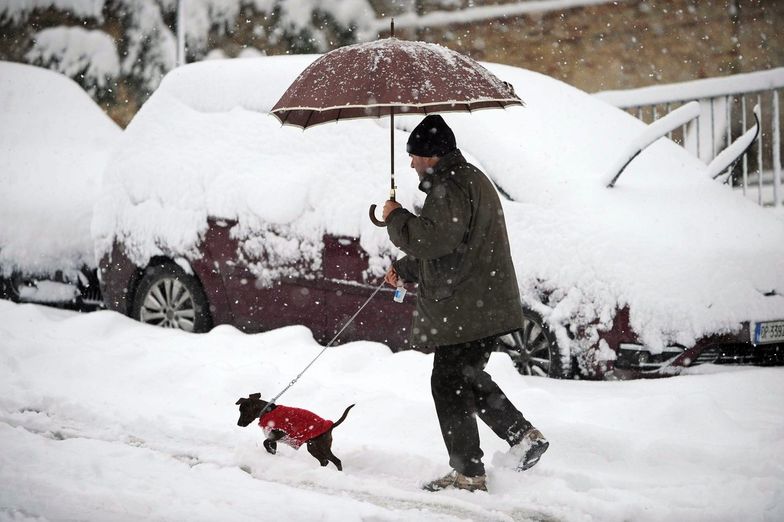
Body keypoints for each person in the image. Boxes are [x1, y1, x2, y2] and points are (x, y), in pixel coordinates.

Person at [382, 114, 548, 493]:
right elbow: (453, 246)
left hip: (467, 306)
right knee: (464, 379)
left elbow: (434, 240)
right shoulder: (465, 179)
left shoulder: (450, 186)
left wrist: (396, 219)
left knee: (448, 382)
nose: (410, 163)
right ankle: (522, 436)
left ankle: (469, 473)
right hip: (477, 301)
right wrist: (406, 268)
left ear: (432, 155)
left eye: (415, 156)